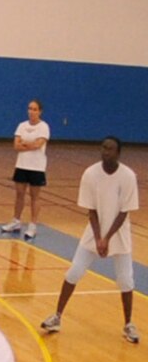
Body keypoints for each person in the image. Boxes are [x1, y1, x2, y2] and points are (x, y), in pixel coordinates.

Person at [40, 136, 139, 344]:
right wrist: (98, 238)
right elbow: (91, 210)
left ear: (118, 153)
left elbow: (123, 213)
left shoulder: (128, 176)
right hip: (94, 232)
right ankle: (57, 316)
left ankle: (128, 324)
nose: (106, 152)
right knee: (74, 271)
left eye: (111, 149)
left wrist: (108, 238)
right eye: (103, 148)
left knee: (125, 280)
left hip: (119, 234)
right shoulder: (90, 174)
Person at [2, 100, 50, 241]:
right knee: (19, 194)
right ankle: (16, 221)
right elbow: (16, 146)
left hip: (37, 167)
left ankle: (33, 225)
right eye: (29, 108)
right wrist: (29, 144)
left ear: (40, 111)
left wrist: (25, 143)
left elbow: (38, 144)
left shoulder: (44, 127)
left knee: (34, 196)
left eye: (34, 109)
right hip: (22, 165)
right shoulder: (21, 126)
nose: (31, 111)